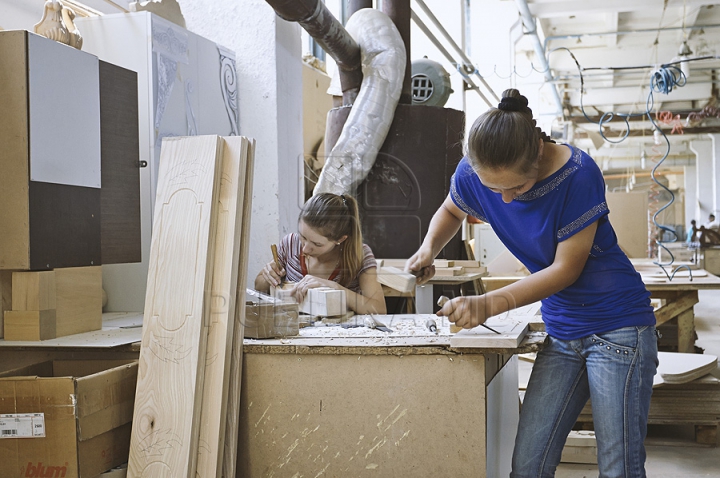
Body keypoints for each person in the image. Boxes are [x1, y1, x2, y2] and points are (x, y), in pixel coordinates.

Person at [406, 89, 658, 477]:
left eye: (517, 189)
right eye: (494, 191)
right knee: (528, 465)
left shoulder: (578, 173)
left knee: (619, 468)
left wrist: (487, 304)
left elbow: (565, 270)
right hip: (562, 329)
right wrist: (428, 249)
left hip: (618, 328)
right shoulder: (476, 170)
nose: (504, 201)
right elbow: (451, 209)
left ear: (538, 154)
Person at [255, 193, 386, 315]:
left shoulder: (359, 255)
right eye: (303, 237)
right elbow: (258, 287)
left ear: (340, 240)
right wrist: (268, 277)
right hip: (293, 333)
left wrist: (335, 288)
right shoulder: (290, 244)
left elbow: (379, 309)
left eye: (317, 244)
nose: (305, 249)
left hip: (339, 335)